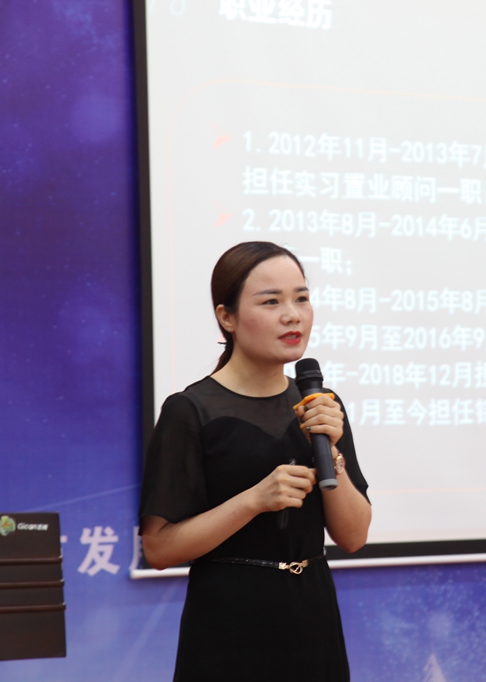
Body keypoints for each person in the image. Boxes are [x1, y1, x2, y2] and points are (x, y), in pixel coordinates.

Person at [139, 241, 372, 681]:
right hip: (230, 624)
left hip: (313, 614)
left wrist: (332, 454)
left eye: (301, 298)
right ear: (226, 317)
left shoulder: (320, 403)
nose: (293, 315)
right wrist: (254, 500)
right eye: (271, 302)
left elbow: (354, 536)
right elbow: (159, 548)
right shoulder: (190, 410)